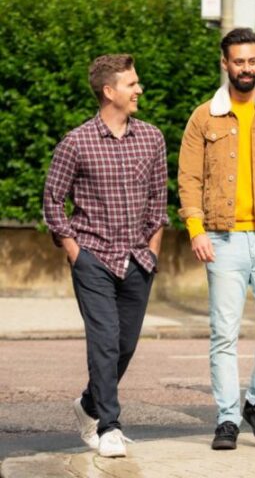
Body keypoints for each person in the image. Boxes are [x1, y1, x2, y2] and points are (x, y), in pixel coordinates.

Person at [178, 27, 255, 451]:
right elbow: (189, 178)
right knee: (224, 332)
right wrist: (196, 229)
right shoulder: (204, 116)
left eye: (252, 61)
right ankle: (228, 418)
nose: (246, 68)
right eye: (238, 62)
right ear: (225, 64)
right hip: (222, 237)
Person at [43, 54, 168, 458]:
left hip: (137, 258)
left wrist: (152, 250)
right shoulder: (76, 142)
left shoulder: (152, 137)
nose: (139, 89)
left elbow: (158, 200)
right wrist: (74, 250)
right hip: (93, 257)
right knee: (104, 342)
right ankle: (109, 426)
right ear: (108, 91)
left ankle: (88, 405)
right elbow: (52, 201)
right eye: (132, 84)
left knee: (126, 344)